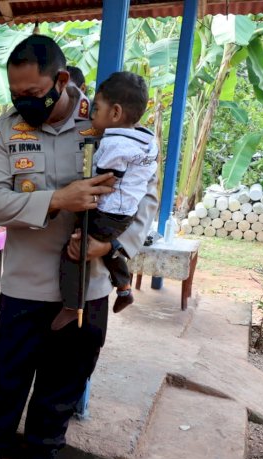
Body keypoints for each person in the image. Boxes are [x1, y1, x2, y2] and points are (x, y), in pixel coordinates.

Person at [0, 35, 158, 459]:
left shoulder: (108, 124)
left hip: (86, 289)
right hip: (25, 286)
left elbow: (144, 198)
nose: (22, 102)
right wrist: (56, 199)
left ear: (62, 80)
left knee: (64, 385)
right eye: (16, 94)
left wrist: (107, 244)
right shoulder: (5, 131)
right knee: (5, 381)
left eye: (32, 93)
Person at [51, 71, 159, 331]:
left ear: (115, 113)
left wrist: (73, 195)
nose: (91, 115)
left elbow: (106, 178)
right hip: (124, 212)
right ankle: (123, 289)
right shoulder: (145, 140)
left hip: (110, 210)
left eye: (96, 109)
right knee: (105, 248)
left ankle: (72, 305)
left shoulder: (114, 142)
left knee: (75, 250)